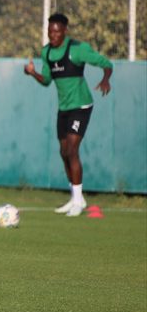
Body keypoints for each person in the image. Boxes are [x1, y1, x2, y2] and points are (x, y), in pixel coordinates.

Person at [24, 12, 113, 216]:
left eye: (56, 31)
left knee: (72, 149)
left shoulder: (77, 49)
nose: (52, 35)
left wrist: (106, 78)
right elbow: (46, 81)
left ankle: (78, 201)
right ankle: (76, 198)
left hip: (81, 106)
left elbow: (106, 64)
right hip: (63, 109)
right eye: (49, 31)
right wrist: (32, 73)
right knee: (64, 152)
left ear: (64, 31)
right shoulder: (46, 52)